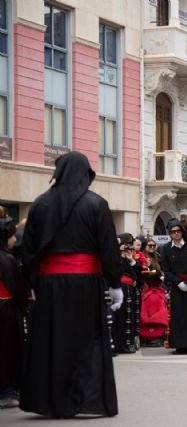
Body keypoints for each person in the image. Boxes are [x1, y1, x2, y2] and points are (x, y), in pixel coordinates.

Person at [20, 151, 122, 418]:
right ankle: (85, 399)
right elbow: (108, 248)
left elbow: (28, 249)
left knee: (51, 340)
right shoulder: (96, 204)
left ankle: (51, 400)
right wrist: (115, 282)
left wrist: (32, 280)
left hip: (49, 284)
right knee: (87, 340)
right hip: (85, 284)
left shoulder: (40, 204)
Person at [159, 218, 187, 354]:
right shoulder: (165, 249)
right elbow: (166, 269)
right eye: (173, 232)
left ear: (182, 231)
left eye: (178, 231)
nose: (176, 233)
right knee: (178, 315)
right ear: (170, 234)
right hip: (177, 286)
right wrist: (178, 282)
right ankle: (180, 345)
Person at [0, 208, 27, 409]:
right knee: (7, 352)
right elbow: (17, 289)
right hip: (7, 310)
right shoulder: (7, 259)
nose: (14, 240)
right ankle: (5, 392)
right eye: (11, 236)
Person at [112, 233, 142, 354]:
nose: (128, 247)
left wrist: (131, 260)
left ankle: (127, 343)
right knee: (120, 318)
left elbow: (138, 274)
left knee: (129, 318)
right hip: (120, 289)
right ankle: (119, 344)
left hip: (130, 290)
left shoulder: (128, 258)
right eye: (126, 244)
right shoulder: (114, 256)